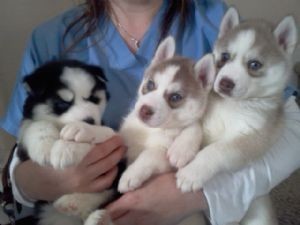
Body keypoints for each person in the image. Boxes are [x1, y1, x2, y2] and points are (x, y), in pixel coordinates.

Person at [0, 0, 299, 224]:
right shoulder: (50, 38)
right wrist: (27, 183)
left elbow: (288, 130)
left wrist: (199, 194)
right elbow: (22, 149)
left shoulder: (213, 18)